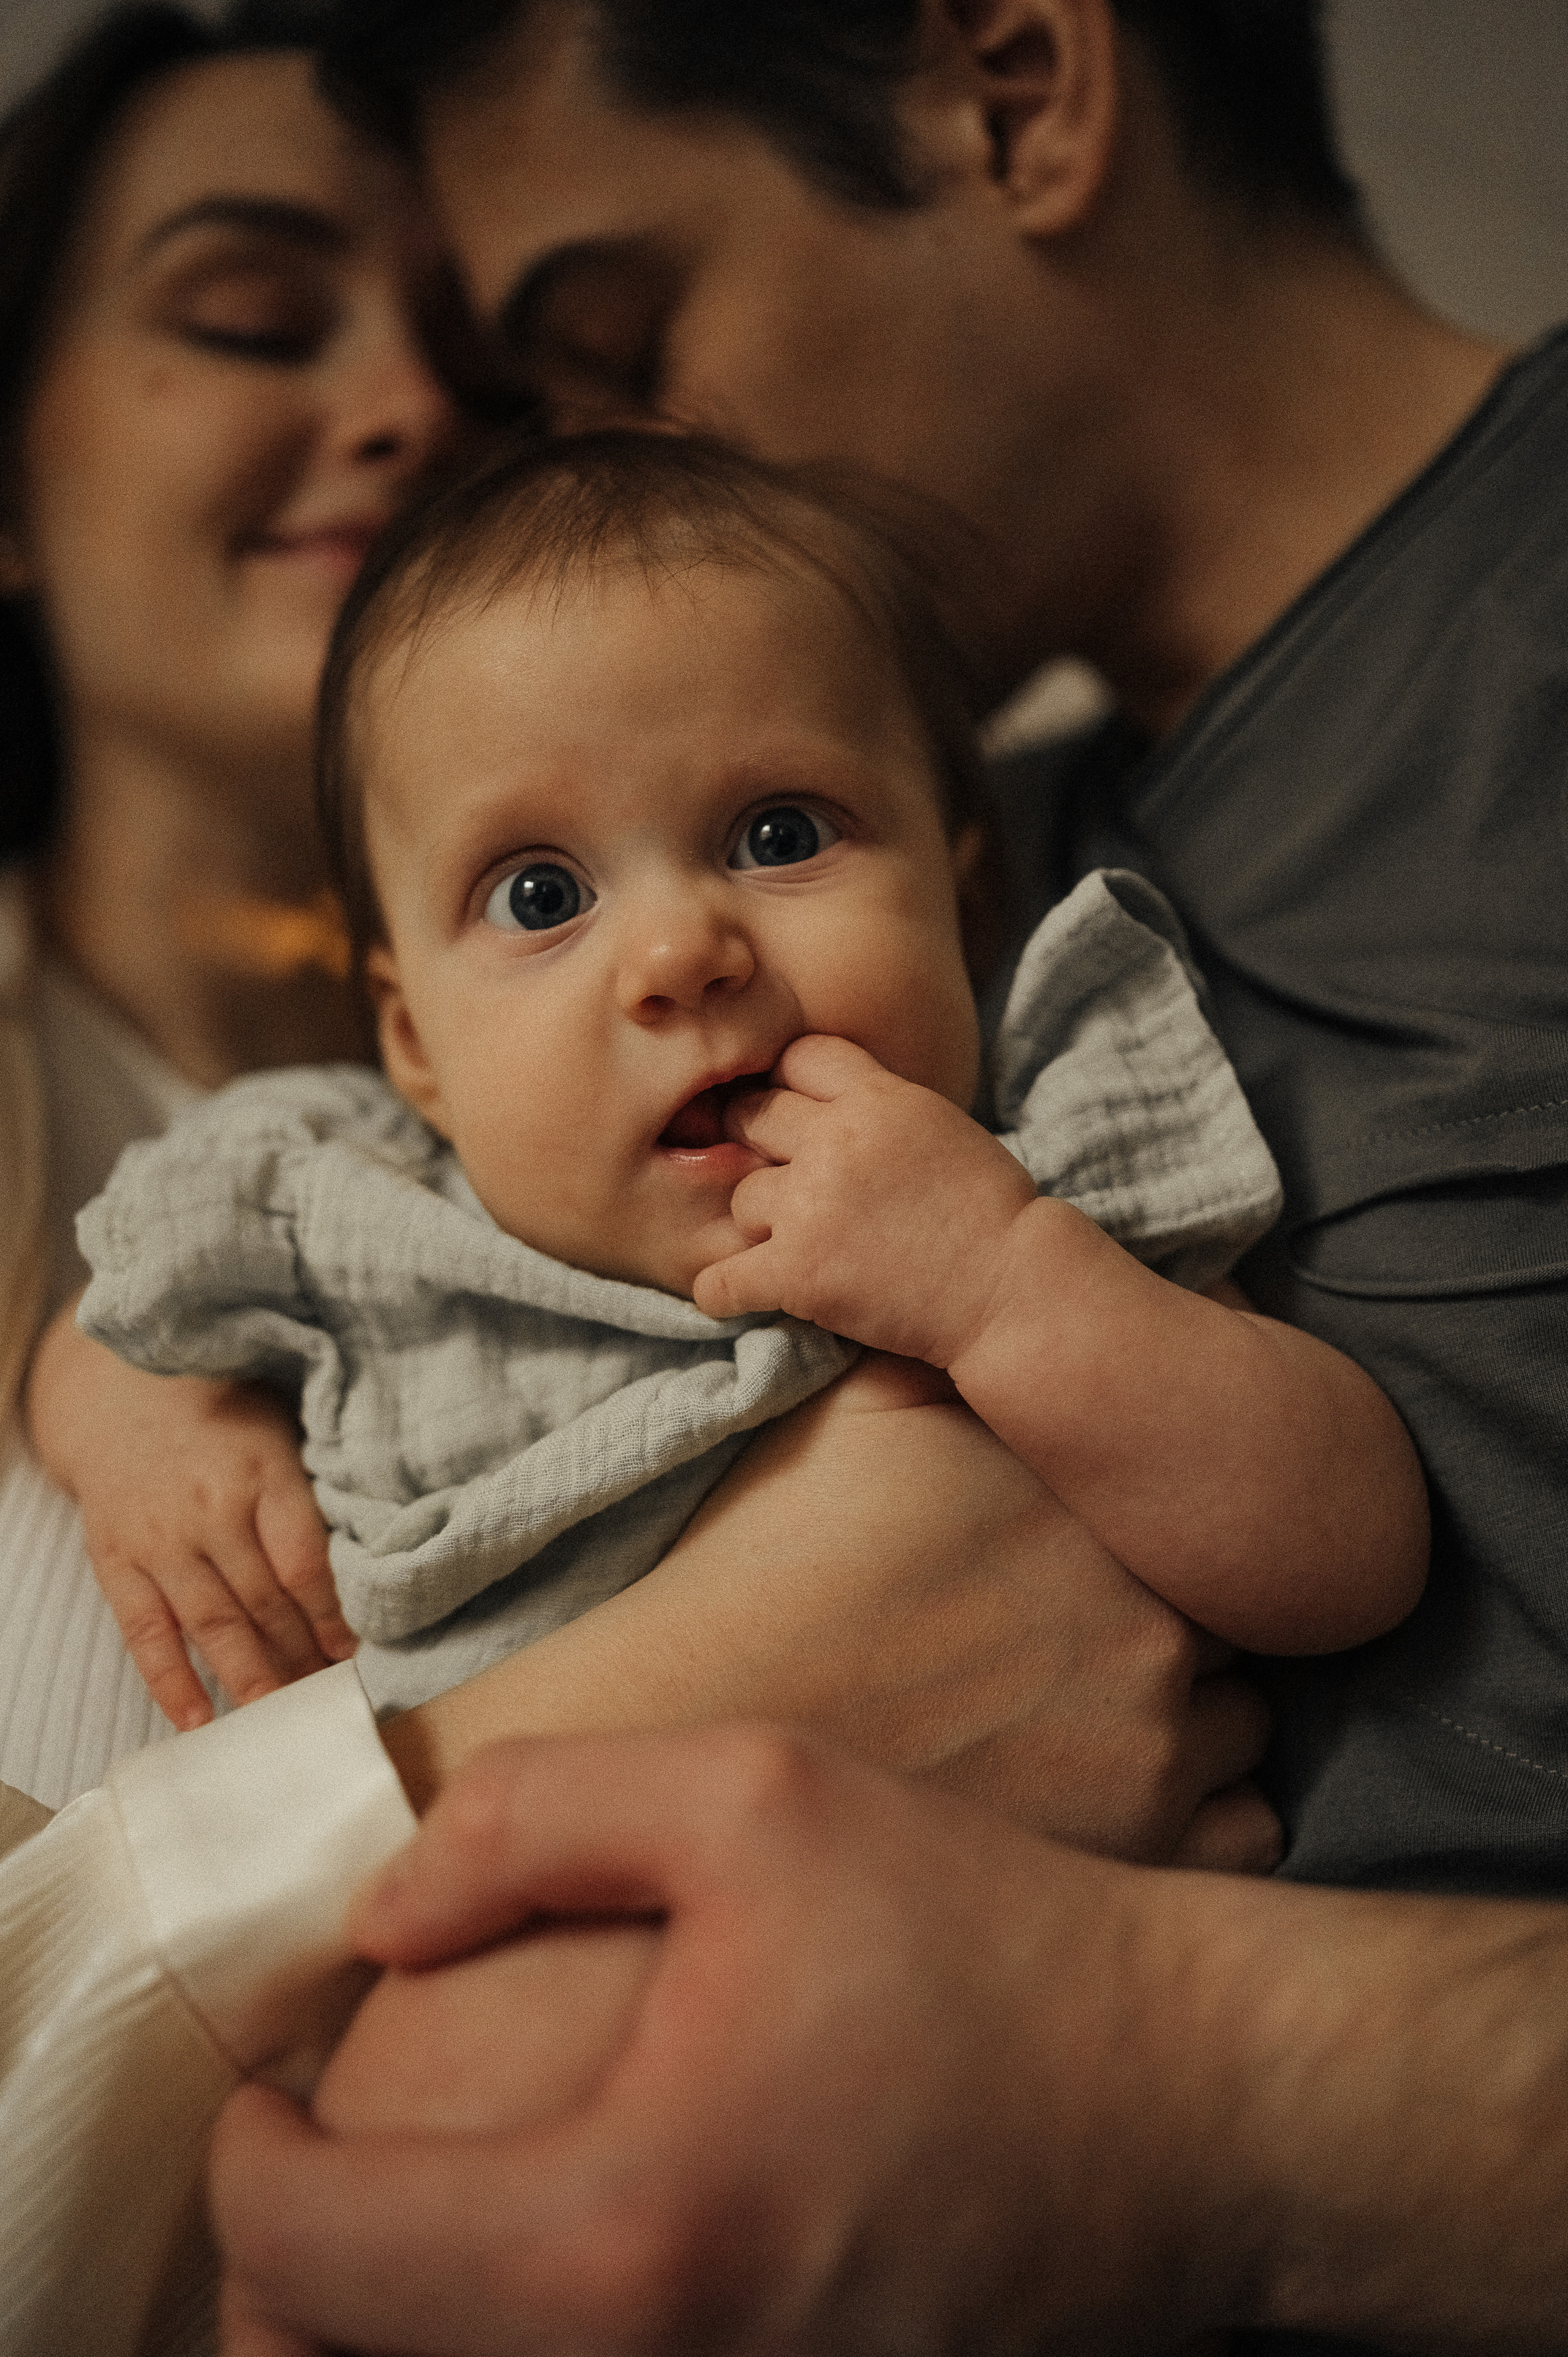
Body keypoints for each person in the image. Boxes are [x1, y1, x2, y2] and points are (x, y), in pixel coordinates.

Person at [205, 0, 1568, 2349]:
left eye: (624, 345)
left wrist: (1188, 2079)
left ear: (1015, 93)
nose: (610, 499)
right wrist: (140, 1372)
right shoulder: (962, 866)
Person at [0, 18, 1281, 2353]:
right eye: (253, 315)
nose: (410, 414)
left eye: (519, 376)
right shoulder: (247, 1210)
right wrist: (95, 1375)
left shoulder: (955, 1055)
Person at [61, 429, 1422, 1723]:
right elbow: (96, 1311)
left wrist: (1004, 1280)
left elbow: (1351, 1556)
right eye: (540, 894)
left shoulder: (1047, 1149)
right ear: (414, 1042)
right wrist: (137, 1426)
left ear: (963, 902)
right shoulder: (350, 1196)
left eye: (778, 833)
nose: (677, 952)